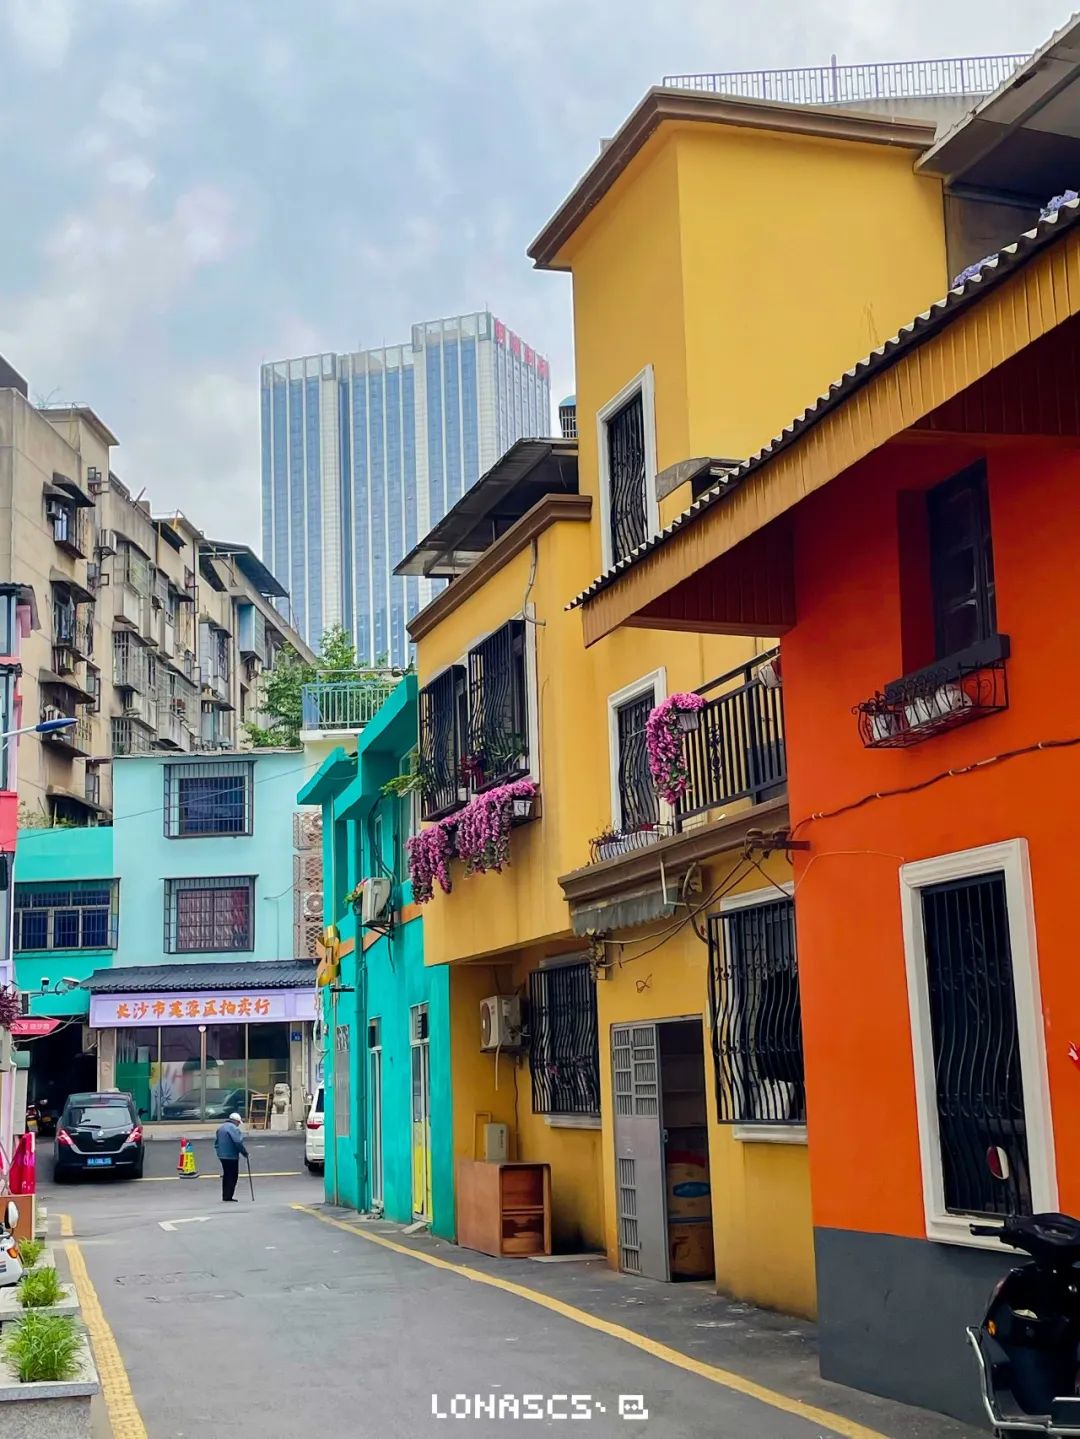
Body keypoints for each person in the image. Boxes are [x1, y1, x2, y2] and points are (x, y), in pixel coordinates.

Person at [214, 1112, 248, 1202]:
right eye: (238, 1122)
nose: (238, 1124)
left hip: (222, 1155)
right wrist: (244, 1152)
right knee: (233, 1176)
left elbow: (216, 1143)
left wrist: (219, 1153)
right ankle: (228, 1196)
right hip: (231, 1156)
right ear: (236, 1121)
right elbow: (237, 1142)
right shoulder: (233, 1128)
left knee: (226, 1175)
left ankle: (225, 1195)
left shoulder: (221, 1128)